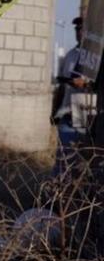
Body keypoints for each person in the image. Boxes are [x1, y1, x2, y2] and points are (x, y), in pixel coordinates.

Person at [51, 16, 91, 176]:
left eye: (83, 29)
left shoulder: (97, 58)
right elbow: (61, 87)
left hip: (86, 114)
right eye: (77, 29)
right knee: (63, 160)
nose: (79, 32)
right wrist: (54, 111)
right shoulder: (70, 55)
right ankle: (57, 197)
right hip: (67, 113)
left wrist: (86, 85)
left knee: (84, 161)